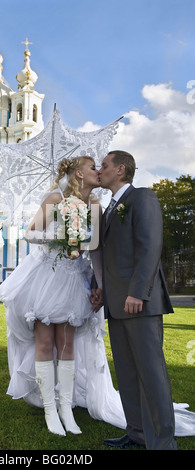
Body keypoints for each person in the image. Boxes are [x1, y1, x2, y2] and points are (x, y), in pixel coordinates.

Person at [0, 155, 103, 436]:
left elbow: (93, 242)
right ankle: (49, 410)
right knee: (45, 341)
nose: (97, 171)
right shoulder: (54, 198)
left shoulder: (94, 204)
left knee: (66, 343)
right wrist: (58, 237)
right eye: (92, 167)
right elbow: (30, 233)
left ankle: (66, 409)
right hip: (48, 276)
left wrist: (78, 238)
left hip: (74, 277)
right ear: (79, 174)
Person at [96, 150, 177, 450]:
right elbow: (107, 256)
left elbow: (150, 246)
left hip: (139, 302)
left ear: (120, 170)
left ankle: (163, 442)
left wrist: (138, 292)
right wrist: (98, 288)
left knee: (151, 374)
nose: (99, 170)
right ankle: (138, 434)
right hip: (115, 305)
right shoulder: (108, 209)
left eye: (104, 166)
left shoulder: (143, 198)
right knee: (128, 374)